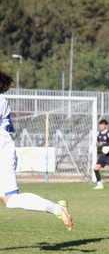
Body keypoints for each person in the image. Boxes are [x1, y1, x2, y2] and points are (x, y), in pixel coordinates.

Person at [0, 69, 73, 230]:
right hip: (4, 151)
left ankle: (56, 208)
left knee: (10, 200)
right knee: (9, 200)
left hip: (2, 154)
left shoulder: (0, 101)